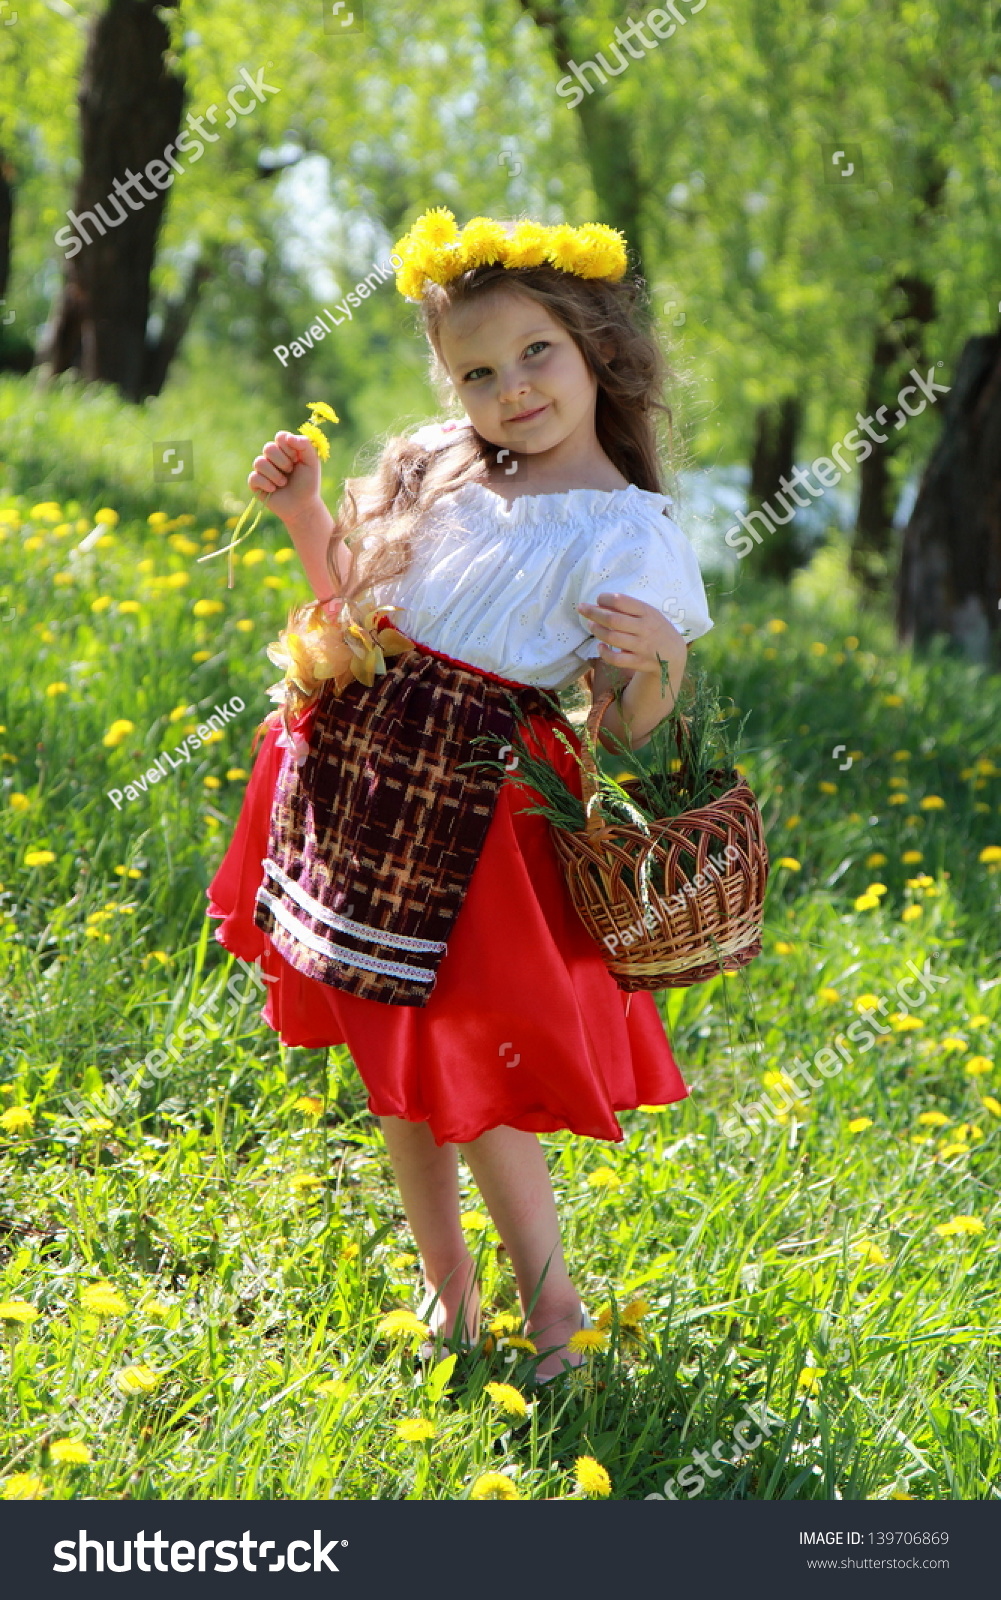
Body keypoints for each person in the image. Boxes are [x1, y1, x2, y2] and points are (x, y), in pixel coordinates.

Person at [207, 209, 714, 1382]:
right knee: (388, 1045)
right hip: (362, 781)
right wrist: (302, 516)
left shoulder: (625, 532)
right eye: (477, 370)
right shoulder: (440, 465)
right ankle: (451, 1294)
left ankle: (557, 1319)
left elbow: (625, 730)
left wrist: (652, 667)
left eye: (536, 352)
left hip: (476, 823)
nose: (511, 389)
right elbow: (358, 603)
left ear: (596, 348)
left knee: (466, 1071)